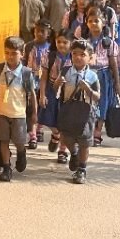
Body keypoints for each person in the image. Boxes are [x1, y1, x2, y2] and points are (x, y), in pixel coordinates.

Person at [0, 36, 36, 182]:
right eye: (7, 53)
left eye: (14, 53)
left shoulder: (26, 73)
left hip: (18, 113)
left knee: (19, 141)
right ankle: (6, 168)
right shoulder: (0, 68)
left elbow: (32, 95)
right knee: (3, 140)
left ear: (22, 54)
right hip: (1, 111)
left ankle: (21, 152)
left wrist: (34, 114)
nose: (10, 56)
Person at [56, 39, 100, 184]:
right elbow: (55, 90)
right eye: (75, 53)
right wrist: (58, 83)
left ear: (90, 58)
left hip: (85, 113)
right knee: (66, 137)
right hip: (68, 110)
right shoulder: (65, 71)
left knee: (84, 142)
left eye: (82, 54)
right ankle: (74, 153)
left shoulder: (92, 76)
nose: (78, 57)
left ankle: (82, 169)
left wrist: (88, 89)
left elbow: (97, 96)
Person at [81, 5, 120, 145]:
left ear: (103, 22)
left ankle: (98, 131)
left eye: (96, 21)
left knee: (102, 103)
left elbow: (113, 63)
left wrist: (117, 82)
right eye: (90, 21)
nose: (93, 24)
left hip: (103, 76)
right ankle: (88, 129)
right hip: (87, 75)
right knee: (87, 102)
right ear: (86, 23)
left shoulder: (108, 42)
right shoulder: (84, 42)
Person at [40, 30, 73, 162]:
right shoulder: (49, 56)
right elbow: (44, 77)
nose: (61, 45)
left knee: (65, 122)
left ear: (71, 43)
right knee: (48, 118)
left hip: (68, 92)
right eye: (59, 42)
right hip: (51, 90)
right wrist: (42, 95)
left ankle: (62, 151)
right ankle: (55, 134)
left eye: (65, 42)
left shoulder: (74, 57)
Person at [23, 20, 53, 147]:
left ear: (48, 33)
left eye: (42, 31)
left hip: (44, 80)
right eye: (37, 31)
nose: (39, 34)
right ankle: (32, 135)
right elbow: (24, 62)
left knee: (42, 105)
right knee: (31, 107)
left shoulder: (51, 47)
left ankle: (40, 128)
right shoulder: (28, 46)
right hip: (31, 79)